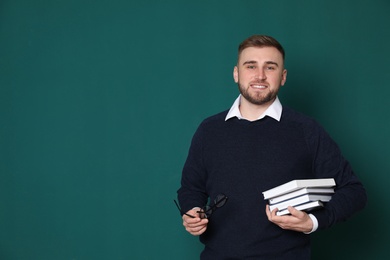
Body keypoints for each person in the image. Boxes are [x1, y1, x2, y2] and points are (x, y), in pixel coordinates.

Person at [176, 35, 367, 259]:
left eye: (270, 67)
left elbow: (354, 191)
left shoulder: (307, 130)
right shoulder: (209, 130)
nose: (260, 76)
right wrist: (192, 212)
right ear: (236, 73)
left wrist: (313, 222)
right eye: (251, 66)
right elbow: (191, 188)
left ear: (283, 77)